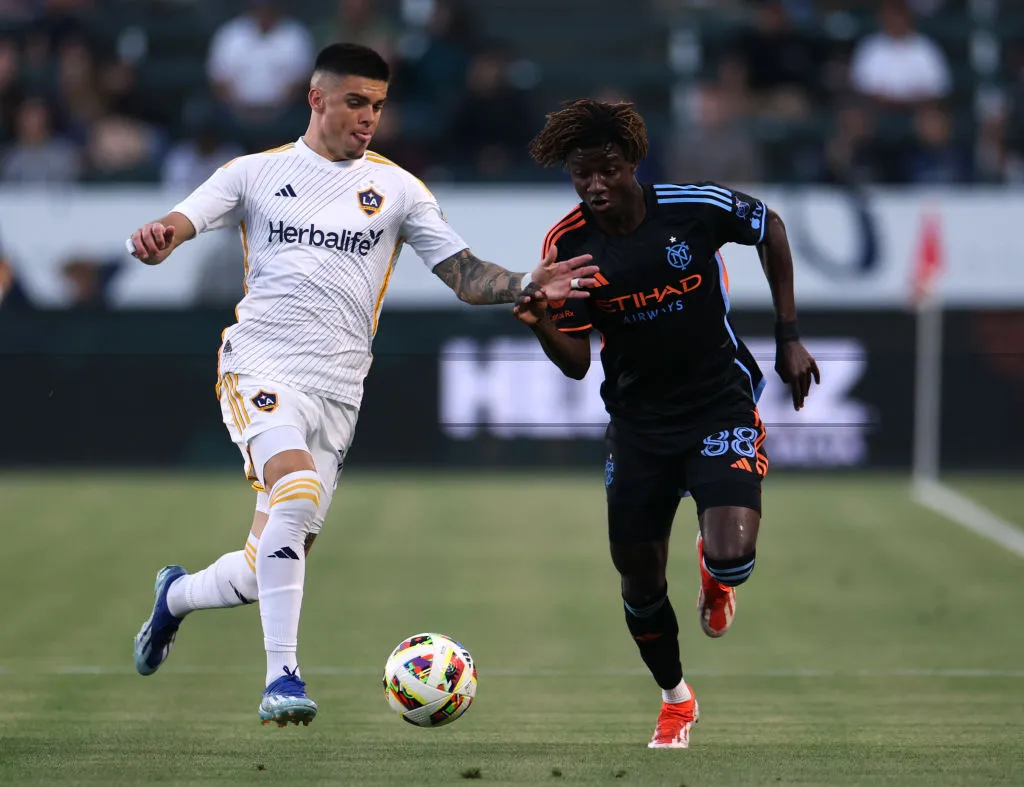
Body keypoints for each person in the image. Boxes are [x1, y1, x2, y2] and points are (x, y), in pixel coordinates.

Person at [127, 43, 597, 728]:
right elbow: (182, 219)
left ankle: (175, 598)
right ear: (315, 99)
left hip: (339, 391)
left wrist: (527, 282)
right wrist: (158, 236)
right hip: (259, 366)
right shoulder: (256, 174)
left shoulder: (399, 190)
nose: (368, 117)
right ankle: (282, 679)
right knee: (294, 489)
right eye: (355, 102)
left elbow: (464, 276)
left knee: (268, 566)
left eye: (377, 104)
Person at [513, 99, 819, 749]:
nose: (594, 185)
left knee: (735, 555)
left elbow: (773, 229)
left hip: (719, 404)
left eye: (607, 170)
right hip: (638, 426)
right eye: (580, 174)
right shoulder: (568, 246)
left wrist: (789, 336)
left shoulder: (693, 206)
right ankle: (675, 699)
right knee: (640, 580)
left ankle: (716, 571)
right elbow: (573, 365)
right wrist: (540, 315)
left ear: (633, 163)